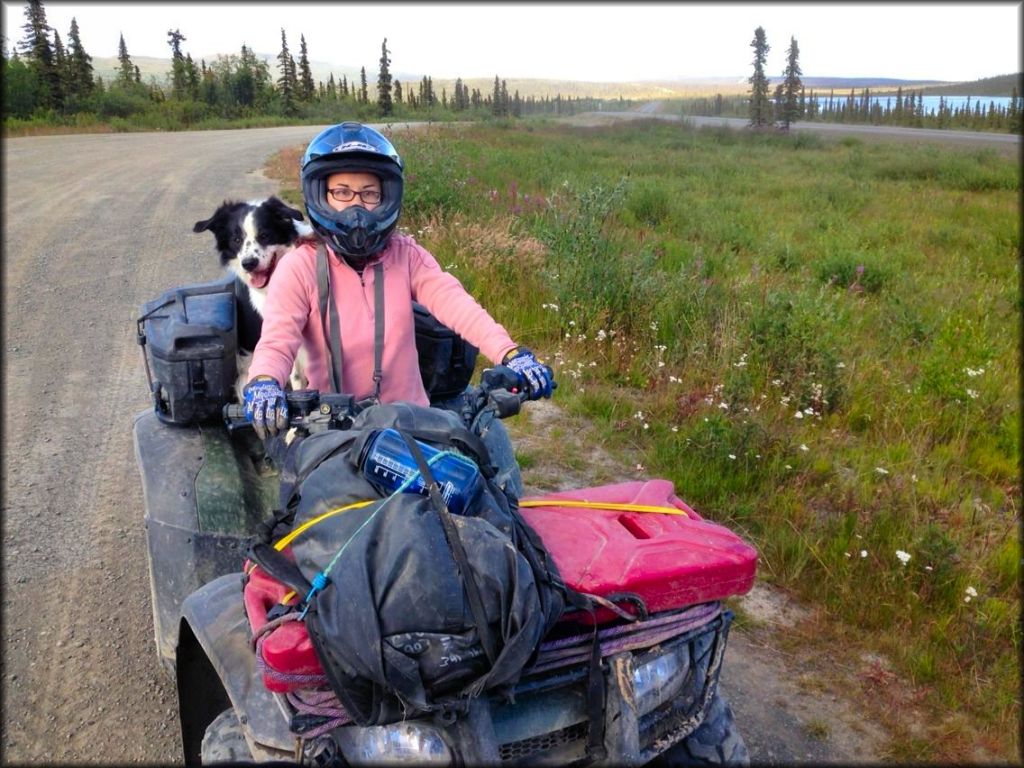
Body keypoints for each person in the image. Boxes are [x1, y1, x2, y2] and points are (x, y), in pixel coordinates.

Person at [243, 121, 554, 496]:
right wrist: (263, 383)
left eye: (369, 193)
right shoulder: (299, 266)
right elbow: (277, 339)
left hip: (413, 422)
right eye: (341, 192)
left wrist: (511, 352)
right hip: (333, 431)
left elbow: (457, 304)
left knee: (482, 506)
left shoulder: (405, 255)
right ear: (321, 196)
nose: (356, 205)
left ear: (386, 196)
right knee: (306, 525)